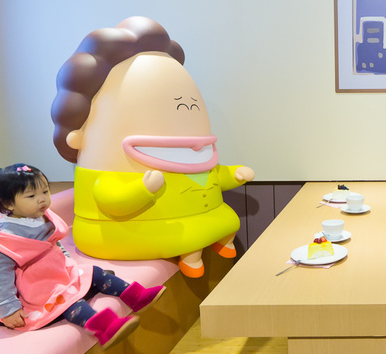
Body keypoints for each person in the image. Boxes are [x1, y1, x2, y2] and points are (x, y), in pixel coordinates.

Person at [50, 17, 254, 277]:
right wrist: (142, 189)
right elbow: (110, 198)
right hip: (126, 232)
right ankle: (193, 254)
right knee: (188, 236)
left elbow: (209, 177)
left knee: (224, 221)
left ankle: (211, 245)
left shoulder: (194, 157)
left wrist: (233, 173)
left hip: (203, 216)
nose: (187, 109)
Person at [0, 164, 166, 348]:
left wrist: (68, 261)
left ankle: (136, 296)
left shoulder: (42, 216)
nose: (42, 199)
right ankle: (105, 328)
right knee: (68, 299)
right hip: (40, 286)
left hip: (59, 270)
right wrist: (8, 308)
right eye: (31, 196)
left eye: (45, 192)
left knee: (95, 272)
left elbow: (54, 242)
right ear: (8, 203)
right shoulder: (2, 240)